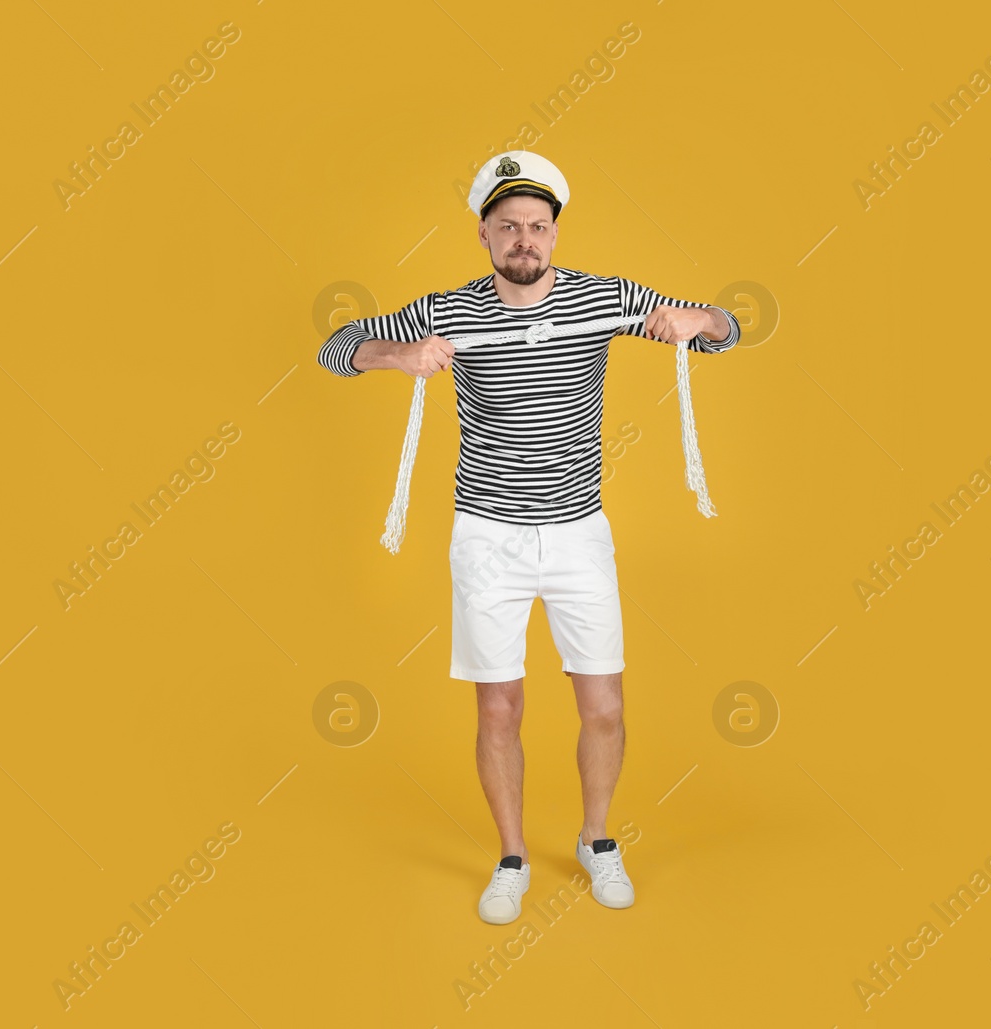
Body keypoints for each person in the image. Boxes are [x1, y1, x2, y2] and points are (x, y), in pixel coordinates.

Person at [316, 151, 740, 924]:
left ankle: (597, 838)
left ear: (553, 235)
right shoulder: (445, 310)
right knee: (499, 710)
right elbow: (335, 346)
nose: (524, 239)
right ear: (483, 234)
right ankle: (511, 856)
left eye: (537, 227)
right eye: (508, 226)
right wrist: (397, 353)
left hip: (579, 532)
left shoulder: (606, 297)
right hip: (487, 536)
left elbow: (725, 328)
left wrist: (697, 320)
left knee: (603, 703)